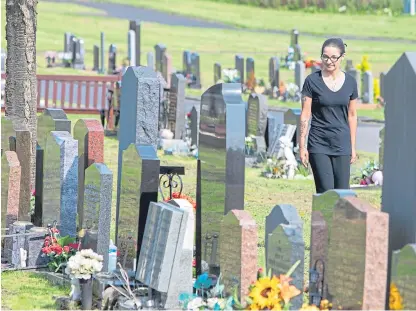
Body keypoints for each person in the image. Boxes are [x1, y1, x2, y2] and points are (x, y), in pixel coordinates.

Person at [299, 38, 358, 194]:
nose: (328, 61)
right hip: (319, 143)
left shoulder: (351, 82)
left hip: (342, 144)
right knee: (326, 191)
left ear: (342, 57)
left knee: (343, 194)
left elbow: (352, 115)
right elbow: (305, 114)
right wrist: (302, 146)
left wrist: (352, 146)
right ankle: (323, 220)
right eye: (325, 57)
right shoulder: (312, 81)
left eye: (333, 57)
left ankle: (338, 220)